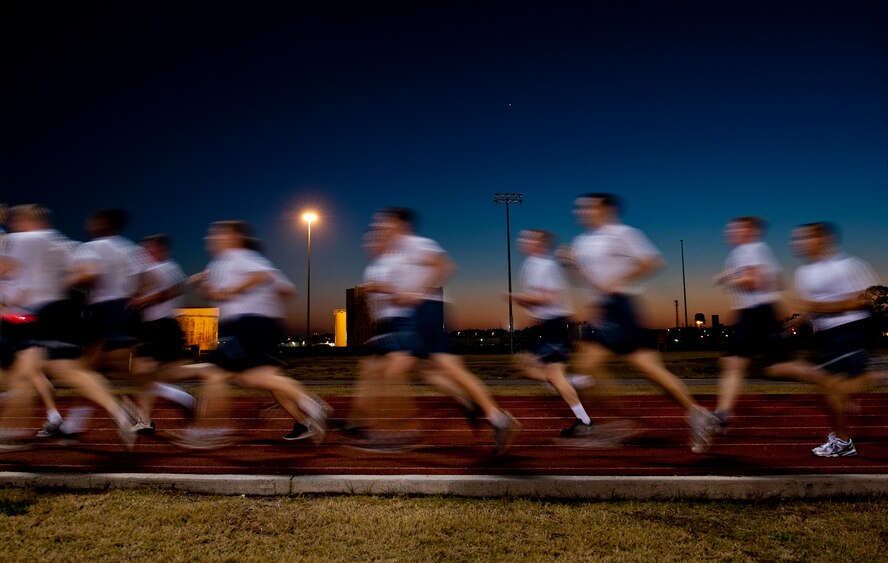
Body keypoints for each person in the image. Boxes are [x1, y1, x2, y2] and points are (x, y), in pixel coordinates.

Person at [560, 193, 718, 453]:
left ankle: (620, 422)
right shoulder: (582, 241)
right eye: (579, 208)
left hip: (621, 306)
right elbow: (585, 281)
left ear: (604, 209)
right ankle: (697, 413)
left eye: (586, 207)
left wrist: (617, 281)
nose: (580, 212)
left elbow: (652, 261)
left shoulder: (622, 233)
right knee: (647, 369)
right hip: (606, 309)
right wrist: (571, 265)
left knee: (585, 368)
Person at [369, 208, 519, 454]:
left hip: (428, 309)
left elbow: (445, 265)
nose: (379, 226)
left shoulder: (415, 243)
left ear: (399, 223)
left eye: (383, 222)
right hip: (420, 312)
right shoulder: (398, 251)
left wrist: (417, 291)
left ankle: (389, 432)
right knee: (428, 369)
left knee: (401, 367)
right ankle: (495, 417)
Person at [173, 220, 328, 449]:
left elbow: (263, 276)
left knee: (218, 373)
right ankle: (308, 412)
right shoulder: (221, 263)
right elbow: (282, 288)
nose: (210, 238)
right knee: (255, 378)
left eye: (216, 234)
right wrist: (203, 284)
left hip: (246, 324)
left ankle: (209, 430)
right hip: (249, 324)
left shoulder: (240, 256)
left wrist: (236, 291)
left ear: (233, 236)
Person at [0, 204, 137, 449]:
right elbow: (86, 273)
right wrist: (58, 282)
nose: (13, 225)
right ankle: (118, 410)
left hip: (38, 313)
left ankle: (12, 431)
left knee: (27, 371)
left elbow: (5, 267)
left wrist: (20, 291)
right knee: (62, 369)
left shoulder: (21, 239)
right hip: (64, 310)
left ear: (25, 220)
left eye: (15, 221)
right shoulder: (63, 242)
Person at [765, 222, 881, 457]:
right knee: (828, 387)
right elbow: (813, 306)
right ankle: (844, 429)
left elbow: (866, 298)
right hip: (826, 336)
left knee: (830, 386)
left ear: (823, 239)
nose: (796, 243)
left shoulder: (850, 266)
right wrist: (795, 323)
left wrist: (821, 307)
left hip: (851, 329)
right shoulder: (804, 273)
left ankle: (843, 442)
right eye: (796, 239)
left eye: (803, 238)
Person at [510, 228, 593, 437]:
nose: (523, 240)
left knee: (552, 375)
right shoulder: (530, 265)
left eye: (528, 238)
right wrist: (527, 304)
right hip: (547, 325)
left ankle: (584, 420)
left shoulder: (544, 265)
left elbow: (549, 298)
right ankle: (573, 382)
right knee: (524, 367)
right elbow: (538, 303)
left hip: (557, 324)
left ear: (539, 243)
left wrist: (518, 297)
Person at [711, 216, 785, 432]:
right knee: (741, 364)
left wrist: (726, 279)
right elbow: (777, 281)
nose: (729, 232)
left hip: (756, 314)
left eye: (734, 229)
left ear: (749, 230)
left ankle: (830, 383)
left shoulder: (749, 249)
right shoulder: (755, 250)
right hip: (756, 313)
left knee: (767, 367)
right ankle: (722, 414)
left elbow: (752, 281)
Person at [127, 234, 196, 434]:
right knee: (156, 375)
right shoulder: (149, 269)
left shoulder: (168, 267)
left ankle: (184, 396)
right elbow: (137, 290)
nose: (144, 252)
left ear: (160, 249)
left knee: (143, 374)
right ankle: (145, 420)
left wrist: (145, 299)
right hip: (152, 327)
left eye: (148, 248)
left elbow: (174, 289)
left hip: (163, 326)